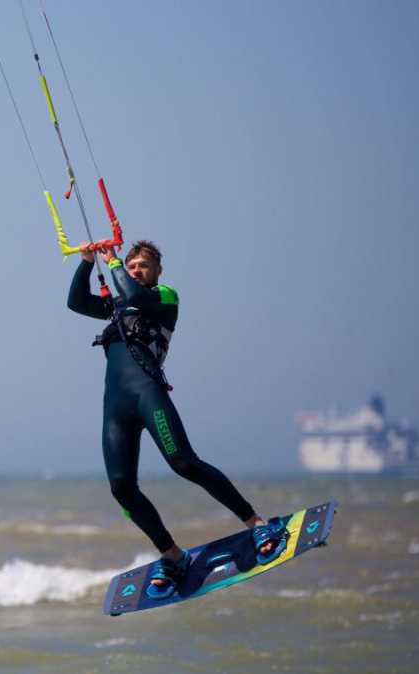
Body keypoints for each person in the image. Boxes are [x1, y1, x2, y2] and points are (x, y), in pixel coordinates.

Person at [67, 240, 286, 598]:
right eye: (133, 265)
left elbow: (133, 293)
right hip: (115, 406)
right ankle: (172, 556)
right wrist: (89, 263)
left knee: (183, 462)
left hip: (147, 394)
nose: (136, 270)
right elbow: (76, 302)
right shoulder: (118, 304)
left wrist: (116, 264)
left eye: (143, 266)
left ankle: (257, 524)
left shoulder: (165, 297)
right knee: (121, 488)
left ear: (157, 272)